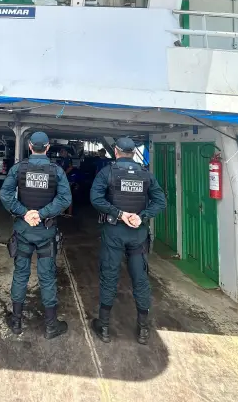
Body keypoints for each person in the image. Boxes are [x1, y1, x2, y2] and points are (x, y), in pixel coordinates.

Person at [89, 137, 166, 345]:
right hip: (138, 233)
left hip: (114, 231)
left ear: (116, 152)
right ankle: (143, 329)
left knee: (109, 275)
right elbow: (160, 201)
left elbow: (96, 199)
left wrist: (119, 213)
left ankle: (104, 327)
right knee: (140, 279)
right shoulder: (146, 174)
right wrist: (142, 216)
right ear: (133, 153)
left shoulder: (107, 172)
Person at [0, 131, 71, 339]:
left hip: (24, 230)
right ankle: (50, 326)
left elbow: (5, 194)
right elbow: (64, 199)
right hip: (45, 232)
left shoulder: (18, 168)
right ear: (47, 148)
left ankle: (16, 322)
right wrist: (42, 214)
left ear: (30, 146)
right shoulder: (56, 171)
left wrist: (25, 213)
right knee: (47, 277)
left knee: (20, 274)